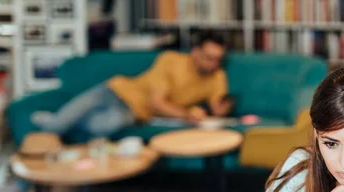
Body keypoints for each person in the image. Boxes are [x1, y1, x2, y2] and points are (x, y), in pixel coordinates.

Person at [31, 31, 233, 137]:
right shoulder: (171, 59)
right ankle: (57, 123)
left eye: (217, 59)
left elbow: (217, 109)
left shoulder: (217, 75)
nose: (213, 64)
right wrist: (187, 115)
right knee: (55, 127)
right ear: (195, 51)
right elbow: (156, 102)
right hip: (114, 89)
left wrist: (220, 110)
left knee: (103, 126)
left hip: (134, 112)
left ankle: (60, 121)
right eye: (208, 58)